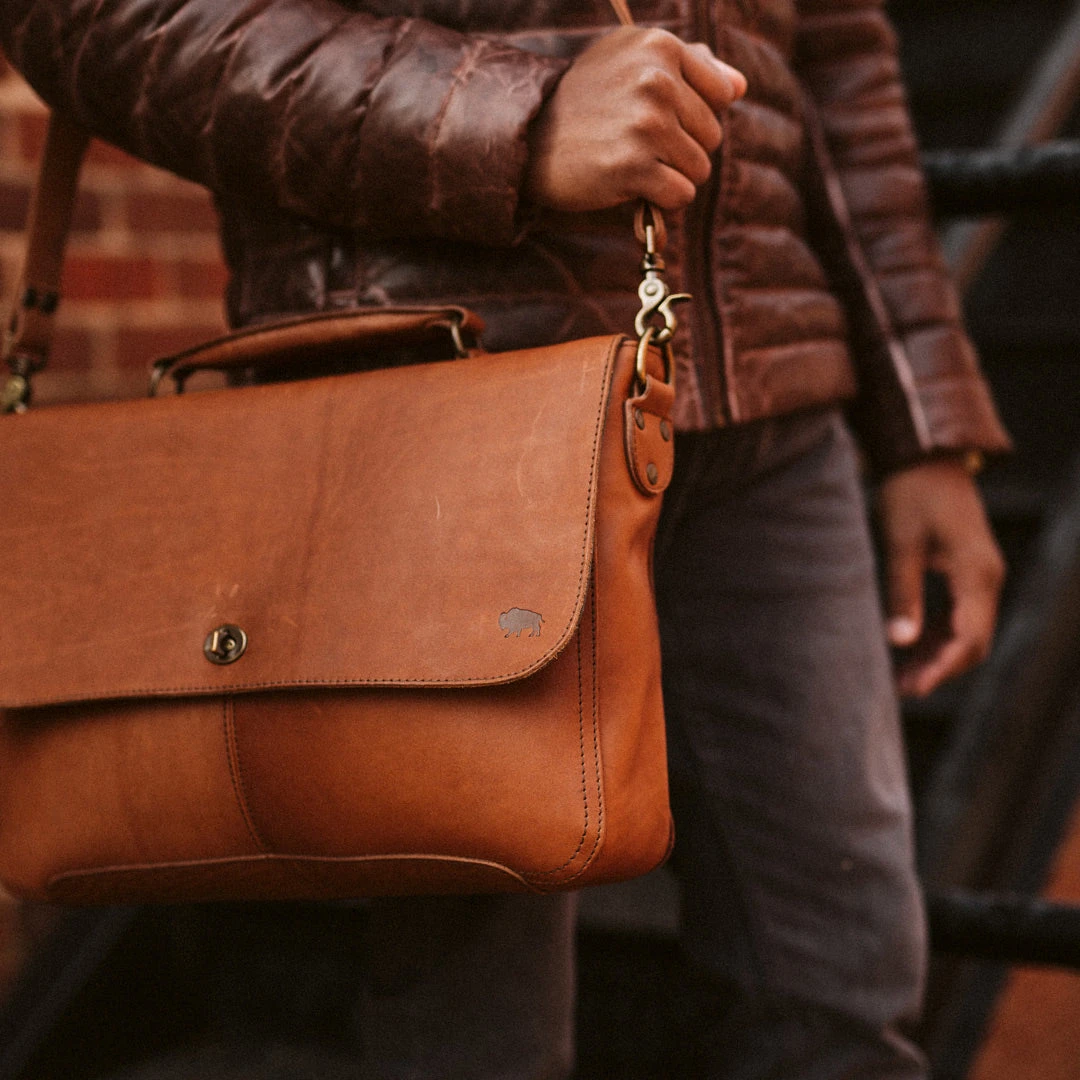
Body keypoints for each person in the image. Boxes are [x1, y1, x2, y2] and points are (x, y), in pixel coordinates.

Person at [1, 1, 1010, 1077]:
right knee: (477, 1021)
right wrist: (512, 122)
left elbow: (841, 59)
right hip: (445, 418)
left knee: (840, 989)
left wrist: (925, 429)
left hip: (770, 419)